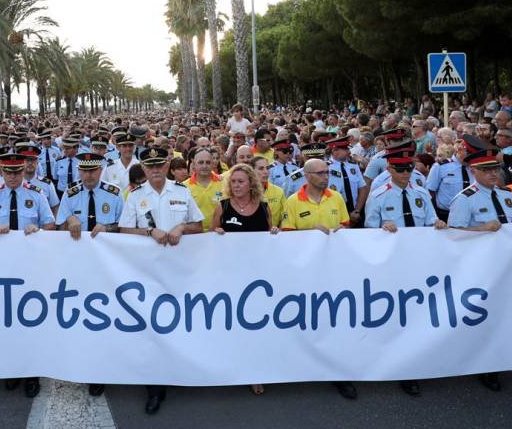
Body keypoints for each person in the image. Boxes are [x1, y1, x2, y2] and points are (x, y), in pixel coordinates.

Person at [447, 135, 512, 391]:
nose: (493, 174)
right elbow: (452, 236)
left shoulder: (507, 196)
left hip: (508, 267)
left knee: (505, 313)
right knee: (483, 316)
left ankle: (504, 356)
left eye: (495, 169)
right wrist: (481, 228)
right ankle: (485, 365)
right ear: (474, 171)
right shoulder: (464, 199)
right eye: (486, 170)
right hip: (479, 269)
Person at [119, 145, 203, 415]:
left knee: (179, 322)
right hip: (146, 271)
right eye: (150, 166)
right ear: (143, 169)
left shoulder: (182, 191)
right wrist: (149, 231)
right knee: (152, 326)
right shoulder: (134, 196)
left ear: (167, 166)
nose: (155, 170)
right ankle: (155, 386)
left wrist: (180, 227)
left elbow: (198, 225)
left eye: (160, 165)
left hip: (179, 270)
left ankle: (179, 371)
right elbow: (123, 230)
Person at [364, 141, 446, 396]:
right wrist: (382, 229)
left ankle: (417, 362)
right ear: (389, 169)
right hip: (392, 265)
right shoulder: (378, 196)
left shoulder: (421, 194)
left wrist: (439, 224)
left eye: (409, 169)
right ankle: (400, 366)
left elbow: (432, 220)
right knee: (397, 315)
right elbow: (368, 232)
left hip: (420, 263)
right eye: (400, 169)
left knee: (418, 314)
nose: (406, 174)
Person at [0, 149, 55, 399]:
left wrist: (38, 230)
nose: (13, 177)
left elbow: (50, 223)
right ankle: (12, 367)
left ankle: (32, 372)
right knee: (6, 319)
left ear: (24, 171)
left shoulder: (37, 194)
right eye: (8, 172)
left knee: (31, 318)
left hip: (31, 267)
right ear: (1, 171)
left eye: (17, 172)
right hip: (1, 267)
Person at [279, 156, 353, 398]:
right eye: (320, 173)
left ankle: (339, 374)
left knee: (335, 321)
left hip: (335, 270)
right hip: (306, 273)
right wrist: (310, 234)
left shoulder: (337, 197)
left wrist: (343, 230)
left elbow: (346, 225)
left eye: (326, 172)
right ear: (308, 176)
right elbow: (287, 236)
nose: (325, 176)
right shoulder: (293, 202)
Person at [54, 150, 122, 397]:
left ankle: (102, 368)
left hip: (107, 268)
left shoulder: (114, 194)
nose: (88, 175)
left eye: (93, 170)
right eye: (84, 170)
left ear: (100, 170)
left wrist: (109, 227)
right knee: (82, 317)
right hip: (77, 266)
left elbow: (124, 227)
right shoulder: (70, 195)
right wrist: (69, 219)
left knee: (105, 318)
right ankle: (84, 364)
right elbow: (59, 225)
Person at [209, 162, 278, 395]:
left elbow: (270, 235)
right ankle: (229, 366)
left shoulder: (264, 206)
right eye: (233, 182)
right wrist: (216, 234)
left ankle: (254, 371)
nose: (236, 185)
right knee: (232, 326)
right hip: (229, 277)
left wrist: (274, 233)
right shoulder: (223, 207)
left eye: (240, 181)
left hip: (258, 278)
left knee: (255, 326)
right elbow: (209, 238)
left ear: (251, 184)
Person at [326, 136, 366, 224]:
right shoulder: (325, 168)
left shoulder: (353, 166)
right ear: (335, 151)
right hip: (336, 215)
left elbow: (362, 188)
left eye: (348, 148)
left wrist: (357, 210)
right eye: (345, 149)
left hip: (356, 214)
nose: (349, 151)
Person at [187, 147, 224, 232]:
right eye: (200, 162)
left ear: (212, 164)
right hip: (194, 235)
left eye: (208, 162)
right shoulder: (184, 187)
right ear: (194, 164)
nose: (204, 166)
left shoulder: (224, 184)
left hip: (218, 235)